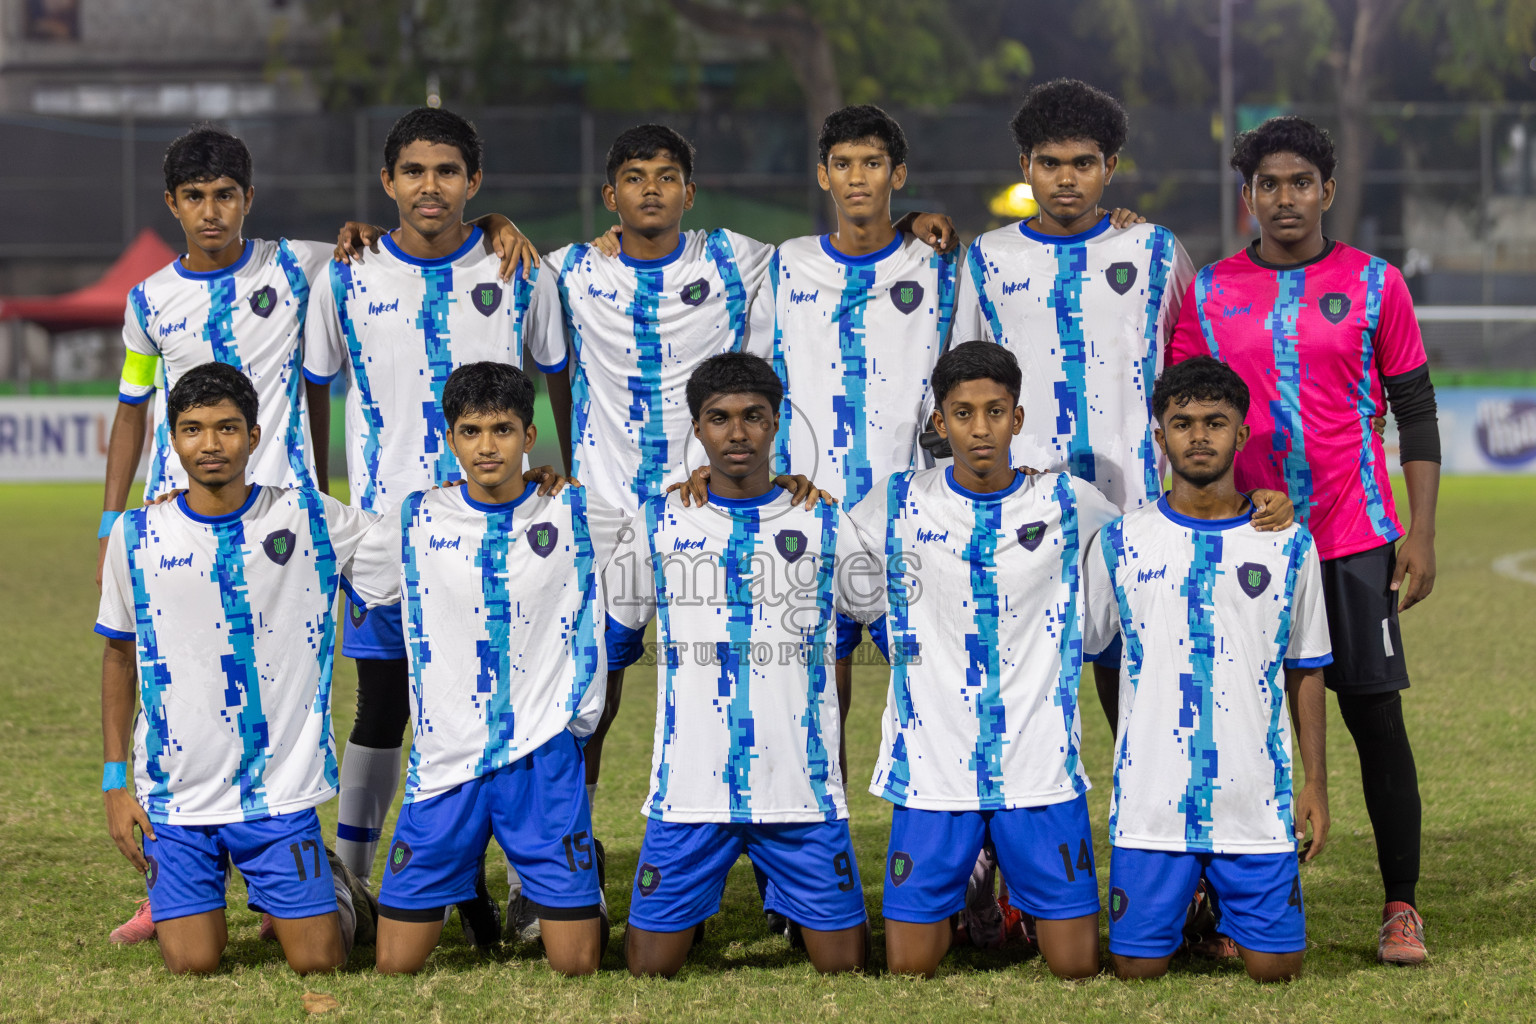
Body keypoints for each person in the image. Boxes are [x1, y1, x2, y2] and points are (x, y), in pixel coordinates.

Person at [1168, 115, 1440, 966]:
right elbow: (1176, 404)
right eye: (1267, 186)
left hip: (1352, 536)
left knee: (1373, 718)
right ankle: (1219, 900)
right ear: (1248, 197)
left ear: (1326, 189)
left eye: (1299, 183)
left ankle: (1401, 905)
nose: (1284, 199)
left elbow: (1416, 411)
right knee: (1235, 721)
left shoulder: (1375, 283)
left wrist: (1421, 531)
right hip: (1244, 539)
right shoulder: (1209, 290)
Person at [304, 106, 566, 946]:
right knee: (381, 703)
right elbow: (313, 387)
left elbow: (560, 380)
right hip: (387, 537)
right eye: (412, 171)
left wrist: (567, 471)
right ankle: (355, 880)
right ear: (386, 183)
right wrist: (324, 502)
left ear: (474, 183)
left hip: (504, 533)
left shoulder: (518, 267)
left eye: (447, 171)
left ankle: (526, 882)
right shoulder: (346, 275)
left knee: (510, 704)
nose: (429, 186)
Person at [839, 341, 1118, 979]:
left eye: (995, 411)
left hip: (1039, 764)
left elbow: (1161, 529)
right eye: (963, 413)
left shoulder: (1070, 502)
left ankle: (997, 880)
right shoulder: (897, 502)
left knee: (1075, 967)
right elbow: (827, 558)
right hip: (934, 767)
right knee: (910, 969)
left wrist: (1253, 505)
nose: (980, 428)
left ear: (1017, 419)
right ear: (941, 423)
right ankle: (972, 887)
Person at [96, 362, 379, 974]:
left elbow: (417, 542)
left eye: (227, 428)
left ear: (254, 436)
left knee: (319, 963)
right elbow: (118, 655)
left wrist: (520, 490)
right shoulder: (137, 534)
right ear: (171, 440)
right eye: (193, 429)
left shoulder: (309, 519)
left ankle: (333, 886)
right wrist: (116, 783)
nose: (210, 444)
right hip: (177, 794)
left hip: (276, 793)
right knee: (193, 964)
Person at [606, 352, 866, 977]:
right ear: (697, 429)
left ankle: (792, 898)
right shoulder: (661, 521)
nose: (738, 433)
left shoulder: (824, 519)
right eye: (719, 419)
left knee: (846, 970)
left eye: (754, 417)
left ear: (776, 423)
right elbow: (616, 639)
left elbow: (865, 621)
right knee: (648, 971)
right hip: (690, 793)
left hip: (798, 795)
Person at [344, 362, 607, 975]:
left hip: (542, 756)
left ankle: (525, 885)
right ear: (450, 436)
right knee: (396, 965)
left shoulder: (577, 511)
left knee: (578, 966)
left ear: (529, 433)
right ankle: (459, 888)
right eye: (470, 431)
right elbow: (320, 547)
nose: (487, 446)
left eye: (503, 429)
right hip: (446, 764)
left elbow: (684, 518)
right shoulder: (412, 520)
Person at [1083, 355, 1331, 982]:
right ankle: (1188, 904)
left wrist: (1317, 784)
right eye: (1182, 422)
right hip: (1151, 807)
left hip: (1253, 802)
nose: (1199, 435)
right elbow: (1086, 652)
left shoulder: (1290, 545)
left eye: (1215, 422)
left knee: (1278, 970)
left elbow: (1306, 667)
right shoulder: (1120, 541)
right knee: (1137, 968)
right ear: (1159, 436)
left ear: (1242, 434)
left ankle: (1216, 902)